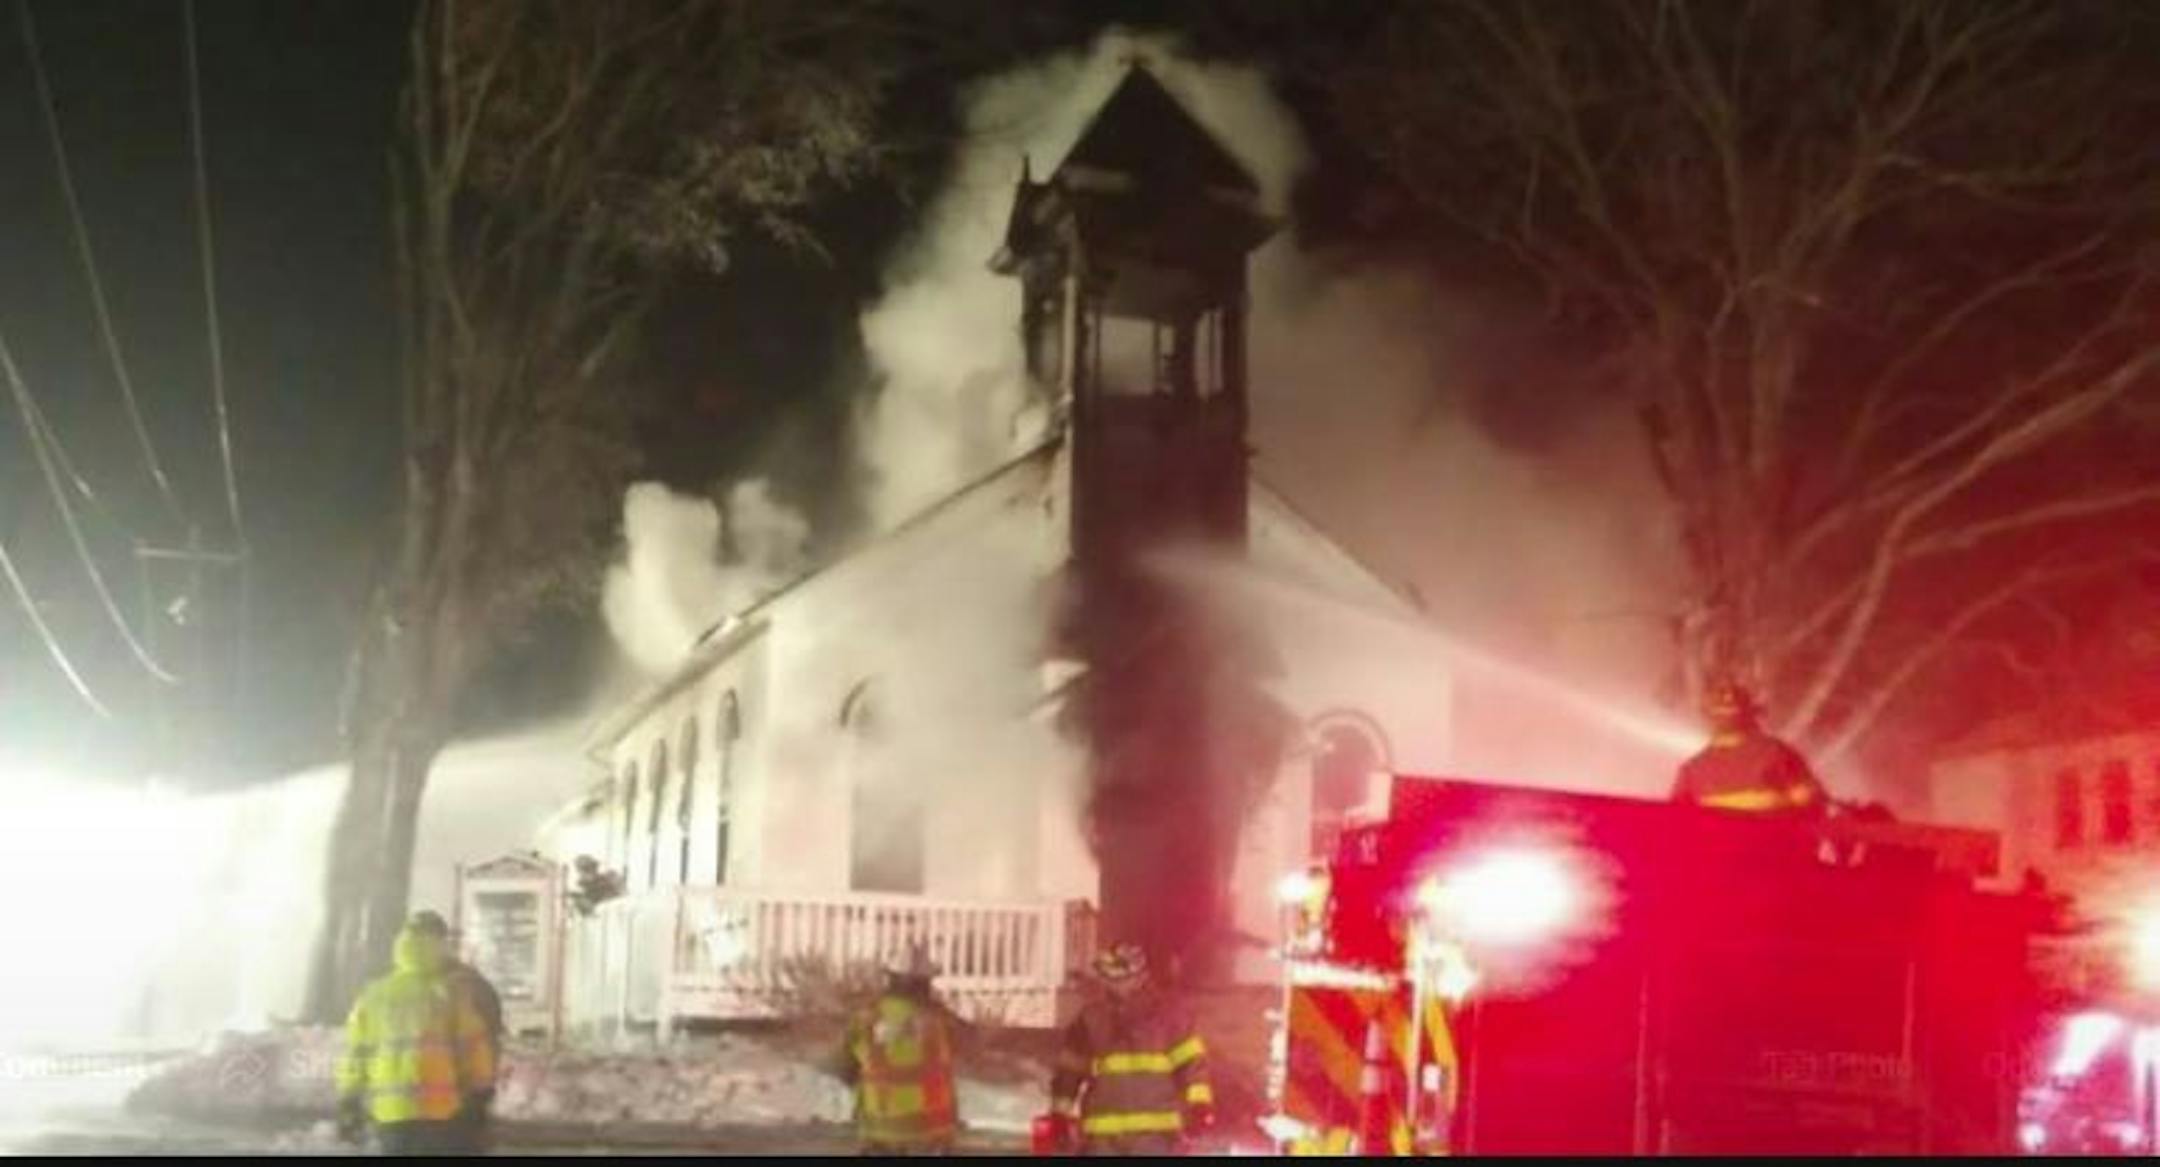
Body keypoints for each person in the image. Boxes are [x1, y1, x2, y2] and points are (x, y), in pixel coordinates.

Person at [336, 912, 497, 1155]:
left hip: (391, 1114)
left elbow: (357, 1053)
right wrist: (480, 1093)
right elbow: (474, 1047)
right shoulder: (450, 993)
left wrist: (349, 1098)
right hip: (442, 1114)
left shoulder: (374, 995)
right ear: (440, 945)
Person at [1045, 942, 1215, 1156]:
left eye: (1119, 978)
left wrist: (1199, 1107)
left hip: (1155, 1138)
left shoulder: (1170, 1019)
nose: (1114, 984)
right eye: (1108, 978)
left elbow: (1193, 1066)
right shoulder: (1090, 1020)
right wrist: (1059, 1115)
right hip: (1104, 1140)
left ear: (1140, 976)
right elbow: (1069, 1072)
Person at [834, 945, 960, 1155]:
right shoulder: (939, 1018)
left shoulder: (868, 1015)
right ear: (923, 983)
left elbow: (846, 1066)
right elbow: (966, 1045)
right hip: (931, 1130)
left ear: (890, 979)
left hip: (880, 1128)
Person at [410, 911, 504, 1149]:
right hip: (443, 1099)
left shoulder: (467, 984)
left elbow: (488, 1040)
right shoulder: (470, 982)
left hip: (450, 1099)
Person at [1670, 678, 1829, 815]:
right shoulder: (1777, 753)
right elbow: (1815, 806)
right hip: (1774, 847)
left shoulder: (1692, 770)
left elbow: (1673, 825)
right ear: (1751, 714)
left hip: (1738, 848)